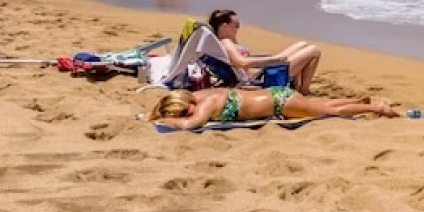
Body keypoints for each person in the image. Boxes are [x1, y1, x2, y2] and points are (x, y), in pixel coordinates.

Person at [149, 87, 398, 130]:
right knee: (319, 106)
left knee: (326, 113)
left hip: (281, 103)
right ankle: (357, 100)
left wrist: (158, 122)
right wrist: (157, 114)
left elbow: (190, 125)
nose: (187, 115)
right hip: (278, 97)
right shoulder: (199, 94)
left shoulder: (207, 103)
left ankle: (377, 108)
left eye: (184, 111)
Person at [209, 8, 324, 93]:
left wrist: (269, 58)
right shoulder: (226, 43)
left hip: (261, 72)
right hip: (263, 79)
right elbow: (242, 62)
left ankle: (298, 86)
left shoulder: (228, 41)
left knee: (302, 45)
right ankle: (304, 91)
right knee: (314, 51)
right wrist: (274, 59)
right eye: (236, 25)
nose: (238, 28)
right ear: (225, 27)